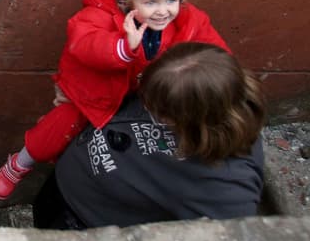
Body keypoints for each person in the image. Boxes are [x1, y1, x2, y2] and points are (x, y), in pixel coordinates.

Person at [0, 0, 229, 200]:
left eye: (171, 0)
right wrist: (125, 47)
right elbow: (86, 45)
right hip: (95, 94)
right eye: (151, 2)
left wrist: (225, 77)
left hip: (144, 97)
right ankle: (21, 162)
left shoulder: (189, 21)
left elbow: (214, 51)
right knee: (58, 129)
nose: (163, 11)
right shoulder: (97, 15)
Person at [32, 42, 266, 229]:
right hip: (63, 187)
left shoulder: (228, 187)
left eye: (156, 109)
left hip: (86, 224)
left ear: (192, 120)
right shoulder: (188, 84)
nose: (144, 104)